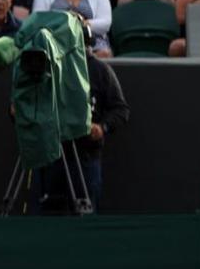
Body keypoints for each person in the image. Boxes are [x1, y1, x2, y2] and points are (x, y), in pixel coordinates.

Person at [31, 29, 129, 214]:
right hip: (51, 154)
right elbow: (26, 104)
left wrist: (102, 127)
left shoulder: (100, 70)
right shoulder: (47, 66)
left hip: (86, 154)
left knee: (85, 214)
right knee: (47, 214)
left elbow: (120, 109)